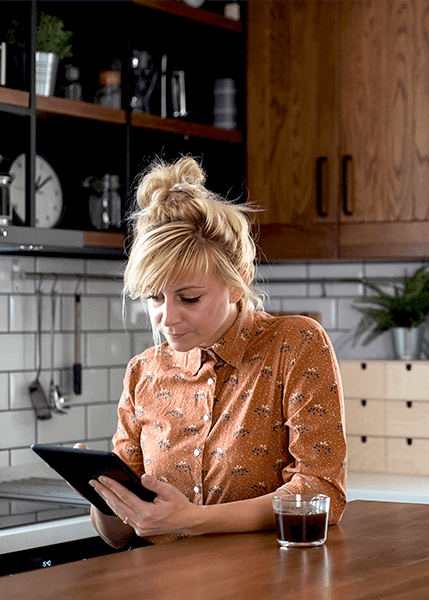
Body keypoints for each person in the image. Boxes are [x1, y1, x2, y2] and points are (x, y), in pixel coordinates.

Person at [81, 156, 347, 548]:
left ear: (238, 282)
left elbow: (321, 493)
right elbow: (118, 537)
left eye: (189, 298)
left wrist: (195, 520)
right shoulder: (143, 373)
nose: (165, 318)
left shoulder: (294, 345)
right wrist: (104, 497)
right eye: (155, 297)